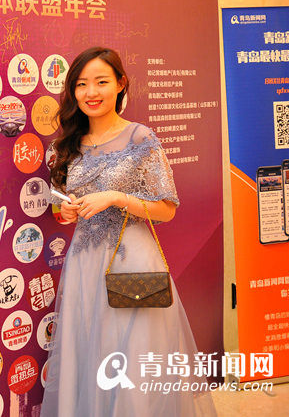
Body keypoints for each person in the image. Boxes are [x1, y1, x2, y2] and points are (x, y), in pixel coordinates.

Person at [40, 47, 217, 416]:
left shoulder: (140, 138)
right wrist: (69, 211)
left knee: (133, 361)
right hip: (85, 264)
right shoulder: (68, 143)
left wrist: (117, 198)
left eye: (101, 82)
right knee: (89, 354)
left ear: (120, 84)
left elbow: (167, 209)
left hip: (133, 264)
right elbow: (65, 205)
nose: (91, 92)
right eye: (81, 84)